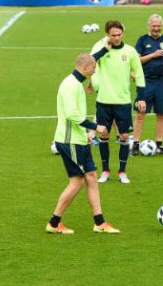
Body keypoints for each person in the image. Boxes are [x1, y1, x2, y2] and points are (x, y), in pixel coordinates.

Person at [47, 53, 121, 234]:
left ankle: (100, 223)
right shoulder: (70, 85)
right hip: (70, 141)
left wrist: (86, 135)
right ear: (86, 67)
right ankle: (54, 223)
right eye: (94, 67)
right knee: (77, 182)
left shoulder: (76, 84)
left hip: (79, 140)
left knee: (91, 178)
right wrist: (96, 127)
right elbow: (72, 115)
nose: (95, 70)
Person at [89, 21, 146, 184]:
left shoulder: (130, 52)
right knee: (104, 135)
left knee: (124, 136)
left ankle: (122, 172)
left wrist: (141, 97)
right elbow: (89, 61)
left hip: (123, 102)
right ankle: (105, 171)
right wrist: (103, 50)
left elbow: (139, 74)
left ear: (123, 34)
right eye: (113, 35)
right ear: (107, 35)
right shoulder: (101, 49)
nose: (116, 38)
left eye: (119, 34)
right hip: (103, 101)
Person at [131, 14, 163, 156]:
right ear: (149, 26)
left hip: (162, 82)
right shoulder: (142, 40)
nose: (156, 28)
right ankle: (136, 144)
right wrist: (153, 55)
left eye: (158, 26)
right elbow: (136, 61)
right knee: (140, 113)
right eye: (154, 26)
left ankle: (159, 144)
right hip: (145, 81)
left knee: (161, 114)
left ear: (161, 26)